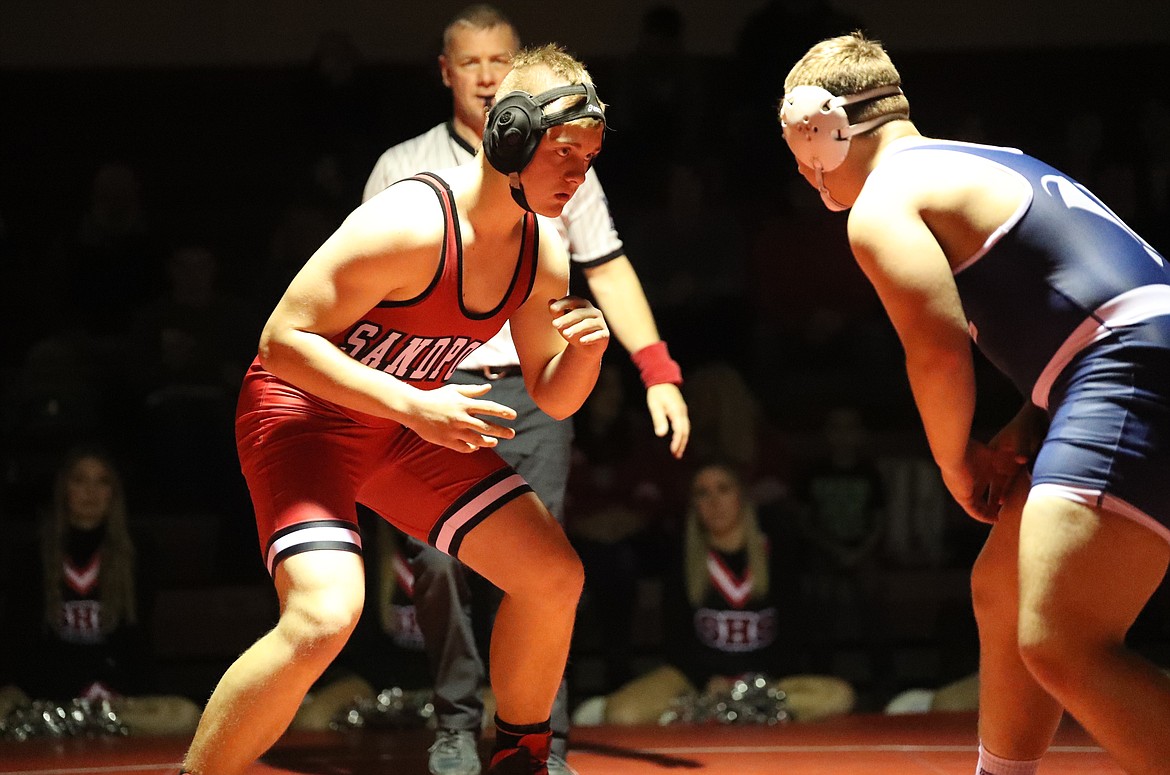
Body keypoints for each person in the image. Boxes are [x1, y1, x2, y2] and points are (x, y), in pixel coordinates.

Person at [179, 44, 610, 775]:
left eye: (590, 156)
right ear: (511, 137)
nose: (579, 173)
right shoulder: (409, 222)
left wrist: (589, 355)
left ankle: (520, 758)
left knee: (552, 575)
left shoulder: (542, 252)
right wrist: (413, 403)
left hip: (404, 422)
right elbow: (281, 342)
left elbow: (549, 392)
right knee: (323, 615)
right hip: (303, 417)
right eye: (565, 152)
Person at [777, 32, 1170, 775]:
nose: (800, 168)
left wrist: (956, 462)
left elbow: (936, 346)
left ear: (819, 127)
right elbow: (1086, 291)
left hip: (1127, 366)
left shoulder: (885, 201)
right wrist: (1031, 416)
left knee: (1062, 639)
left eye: (795, 144)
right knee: (1003, 586)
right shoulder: (988, 159)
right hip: (1124, 359)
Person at [362, 6, 690, 775]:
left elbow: (604, 262)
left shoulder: (565, 158)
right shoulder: (402, 167)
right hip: (432, 390)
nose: (485, 75)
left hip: (533, 390)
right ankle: (454, 726)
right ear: (446, 70)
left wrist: (657, 369)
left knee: (543, 565)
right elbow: (355, 303)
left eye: (499, 62)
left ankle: (538, 740)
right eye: (469, 61)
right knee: (438, 564)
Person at [571, 459, 854, 726]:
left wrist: (754, 682)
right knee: (622, 712)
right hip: (699, 684)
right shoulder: (683, 557)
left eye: (723, 489)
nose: (714, 502)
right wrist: (708, 678)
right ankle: (724, 710)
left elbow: (793, 635)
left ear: (741, 496)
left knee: (839, 695)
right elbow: (676, 641)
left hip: (764, 685)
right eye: (702, 494)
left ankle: (722, 711)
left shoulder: (776, 554)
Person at [1, 444, 200, 735]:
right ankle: (69, 721)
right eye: (80, 480)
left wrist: (109, 691)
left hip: (115, 699)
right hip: (47, 695)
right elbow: (22, 642)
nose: (90, 492)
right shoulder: (32, 554)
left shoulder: (137, 554)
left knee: (186, 715)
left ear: (113, 494)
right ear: (64, 489)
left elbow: (136, 644)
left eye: (102, 482)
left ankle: (72, 724)